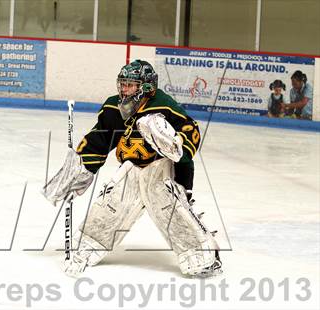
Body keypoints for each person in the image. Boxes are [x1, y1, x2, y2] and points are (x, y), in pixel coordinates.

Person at [42, 60, 222, 278]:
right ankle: (90, 245)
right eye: (123, 84)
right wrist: (80, 169)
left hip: (164, 167)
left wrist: (176, 145)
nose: (124, 89)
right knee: (112, 203)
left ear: (146, 87)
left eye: (130, 85)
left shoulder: (163, 105)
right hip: (132, 167)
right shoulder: (113, 107)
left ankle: (203, 255)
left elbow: (190, 130)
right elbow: (99, 139)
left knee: (167, 205)